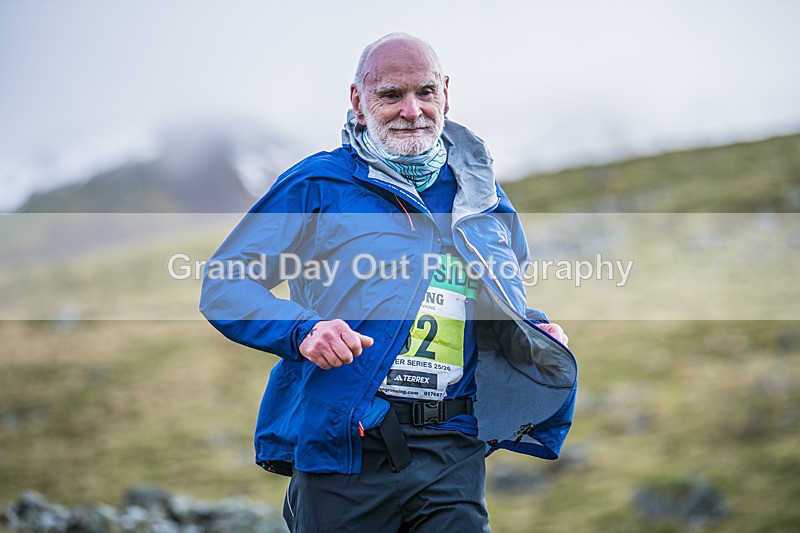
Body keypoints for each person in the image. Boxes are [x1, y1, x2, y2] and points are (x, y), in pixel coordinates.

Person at [200, 33, 577, 532]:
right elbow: (225, 282)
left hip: (451, 449)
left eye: (425, 92)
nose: (412, 111)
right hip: (346, 446)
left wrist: (530, 326)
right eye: (391, 95)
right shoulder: (319, 184)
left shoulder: (483, 197)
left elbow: (490, 300)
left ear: (446, 93)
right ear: (358, 101)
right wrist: (303, 331)